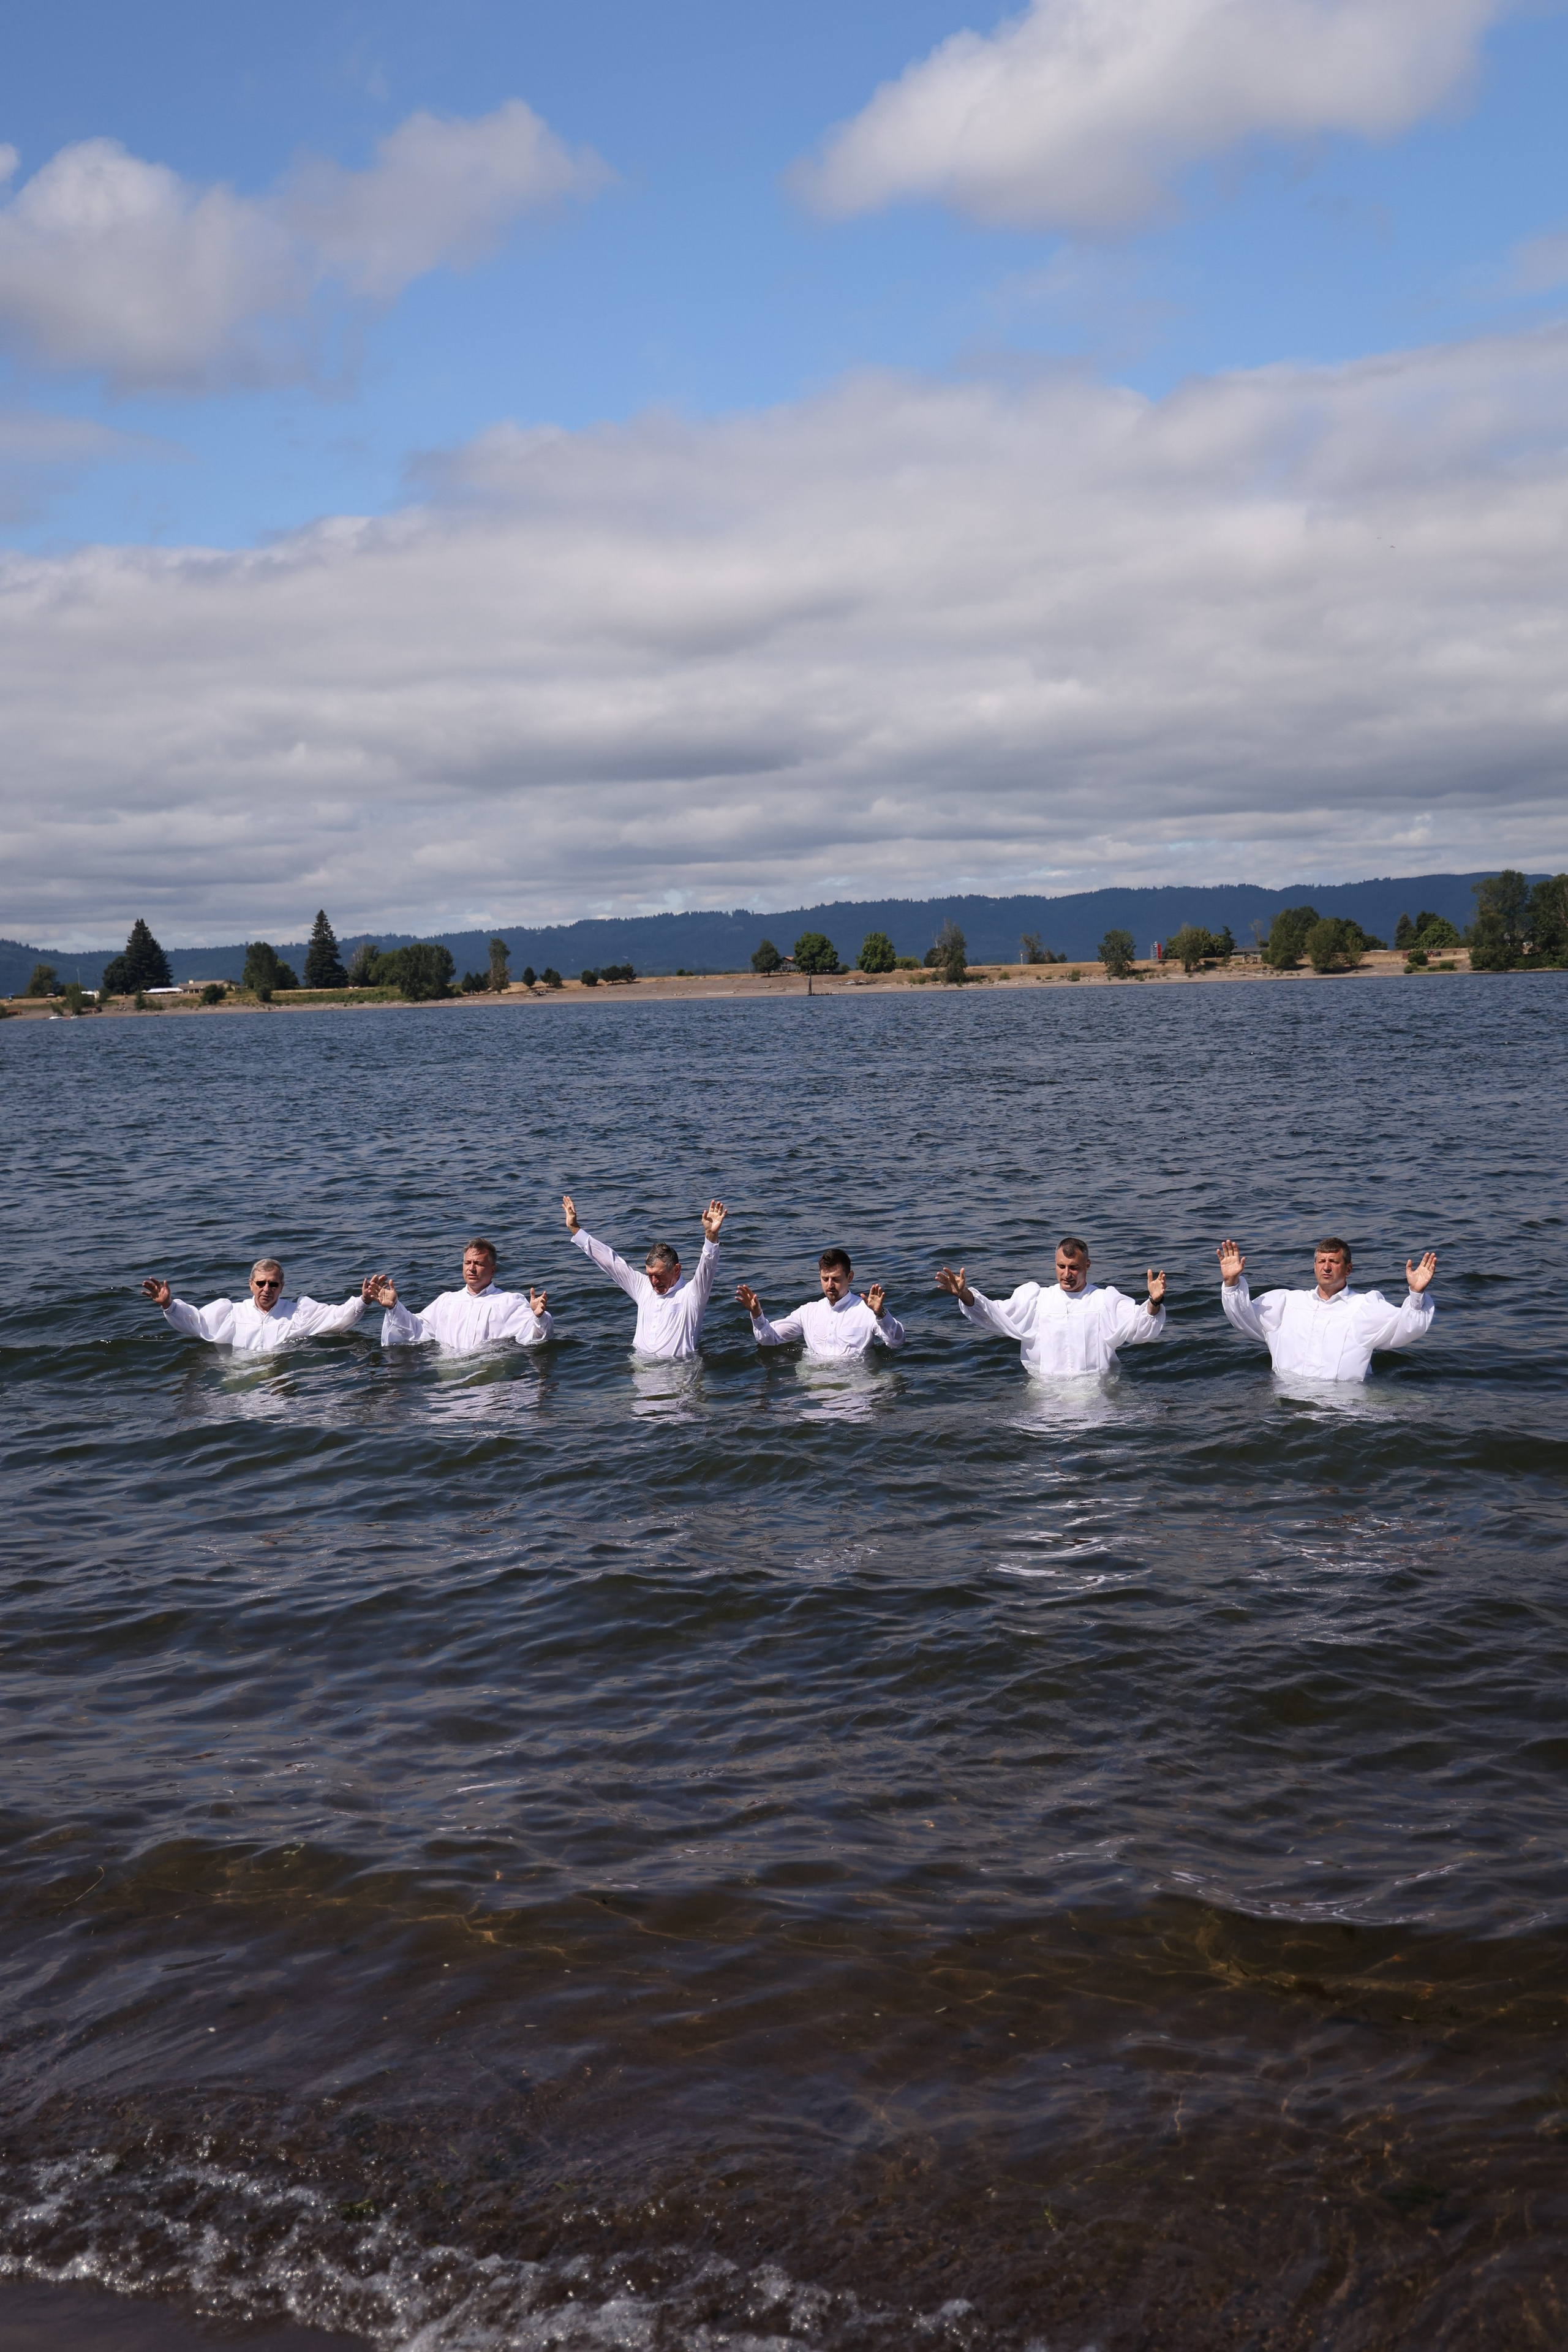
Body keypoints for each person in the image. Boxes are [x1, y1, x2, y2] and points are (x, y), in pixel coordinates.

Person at [935, 1235, 1166, 1376]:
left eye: (1074, 1267)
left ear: (1087, 1265)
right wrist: (964, 1294)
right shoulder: (1037, 1299)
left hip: (1096, 1388)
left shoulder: (1104, 1300)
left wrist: (1154, 1301)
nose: (1066, 1274)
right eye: (1061, 1266)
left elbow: (1139, 1326)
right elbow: (994, 1314)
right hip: (1047, 1390)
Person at [1216, 1235, 1434, 1382]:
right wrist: (1232, 1283)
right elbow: (1244, 1317)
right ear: (1314, 1267)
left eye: (1334, 1261)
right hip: (1287, 1406)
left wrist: (1416, 1294)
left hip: (1341, 1411)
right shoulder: (1287, 1303)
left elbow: (1405, 1327)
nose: (1327, 1267)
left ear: (1349, 1269)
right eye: (1321, 1261)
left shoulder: (1364, 1307)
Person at [563, 1193, 725, 1359]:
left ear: (676, 1270)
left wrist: (711, 1237)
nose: (654, 1282)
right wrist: (575, 1229)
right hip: (641, 1376)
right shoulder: (643, 1288)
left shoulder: (692, 1295)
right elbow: (611, 1262)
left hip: (678, 1378)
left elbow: (707, 1268)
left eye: (659, 1275)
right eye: (650, 1275)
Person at [141, 1259, 372, 1350]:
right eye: (261, 1283)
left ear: (282, 1286)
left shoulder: (298, 1312)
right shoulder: (231, 1312)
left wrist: (363, 1300)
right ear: (251, 1285)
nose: (267, 1289)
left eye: (273, 1284)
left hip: (281, 1376)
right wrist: (168, 1305)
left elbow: (337, 1317)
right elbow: (195, 1321)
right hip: (241, 1373)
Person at [369, 1238, 552, 1351]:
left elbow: (534, 1337)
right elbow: (416, 1329)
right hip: (448, 1375)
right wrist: (395, 1307)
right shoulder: (447, 1301)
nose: (471, 1268)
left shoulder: (508, 1302)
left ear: (493, 1270)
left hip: (488, 1378)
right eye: (467, 1263)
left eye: (478, 1264)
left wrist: (539, 1317)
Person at [736, 1248, 903, 1360]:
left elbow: (897, 1342)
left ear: (850, 1277)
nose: (830, 1285)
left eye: (836, 1279)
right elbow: (769, 1339)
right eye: (825, 1279)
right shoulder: (808, 1312)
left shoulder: (866, 1311)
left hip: (856, 1389)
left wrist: (881, 1314)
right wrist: (757, 1314)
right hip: (816, 1391)